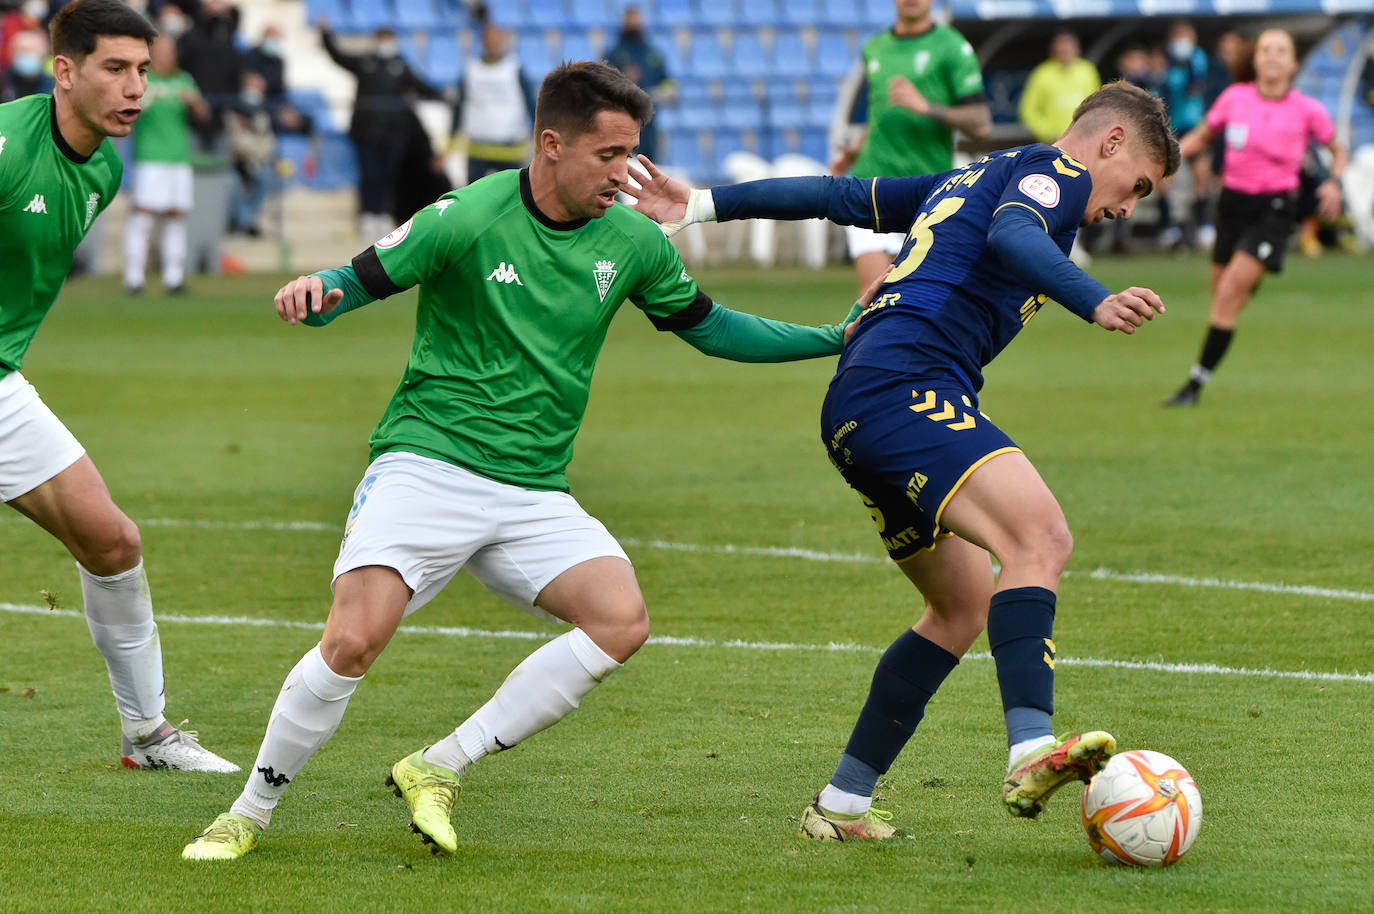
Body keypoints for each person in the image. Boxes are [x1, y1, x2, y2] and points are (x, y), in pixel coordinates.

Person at [181, 60, 862, 861]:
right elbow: (356, 278)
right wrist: (315, 294)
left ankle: (440, 764)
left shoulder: (636, 241)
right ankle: (248, 812)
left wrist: (830, 340)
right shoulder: (467, 214)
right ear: (550, 144)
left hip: (532, 489)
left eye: (634, 153)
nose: (626, 174)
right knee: (355, 640)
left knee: (620, 620)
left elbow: (710, 325)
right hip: (427, 463)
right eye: (608, 155)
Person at [629, 80, 1179, 839]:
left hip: (861, 400)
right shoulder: (1058, 176)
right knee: (1041, 539)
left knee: (959, 607)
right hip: (905, 385)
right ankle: (1030, 749)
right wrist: (1093, 299)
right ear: (1111, 141)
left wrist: (701, 205)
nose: (1129, 205)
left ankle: (843, 802)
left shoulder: (972, 174)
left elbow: (839, 194)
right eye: (1140, 184)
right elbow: (1013, 238)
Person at [0, 0, 237, 773]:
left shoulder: (102, 165)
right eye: (115, 69)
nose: (136, 87)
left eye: (141, 69)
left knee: (112, 542)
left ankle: (147, 735)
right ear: (63, 71)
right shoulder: (6, 147)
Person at [1164, 29, 1346, 407]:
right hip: (1231, 205)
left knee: (1229, 295)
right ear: (1256, 58)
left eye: (1282, 50)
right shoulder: (1235, 98)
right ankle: (1253, 274)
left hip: (1275, 208)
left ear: (1294, 63)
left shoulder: (1305, 109)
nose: (1274, 56)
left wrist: (1334, 182)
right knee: (1221, 294)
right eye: (1266, 49)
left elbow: (1336, 149)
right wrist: (1162, 163)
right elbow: (1201, 136)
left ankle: (1194, 385)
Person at [830, 0, 989, 295]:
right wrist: (854, 150)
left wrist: (925, 107)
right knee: (873, 295)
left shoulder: (951, 46)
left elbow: (981, 122)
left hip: (925, 193)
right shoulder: (875, 47)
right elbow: (880, 113)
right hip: (872, 184)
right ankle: (865, 342)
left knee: (920, 295)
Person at [319, 17, 440, 241]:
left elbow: (424, 88)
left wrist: (446, 95)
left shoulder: (401, 65)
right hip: (366, 132)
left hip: (393, 134)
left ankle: (383, 215)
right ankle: (367, 216)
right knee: (369, 176)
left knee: (388, 177)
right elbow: (339, 56)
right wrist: (325, 34)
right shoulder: (366, 62)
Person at [122, 32, 209, 294]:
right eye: (160, 51)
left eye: (169, 51)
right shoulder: (141, 80)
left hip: (178, 158)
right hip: (150, 158)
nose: (165, 56)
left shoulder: (184, 80)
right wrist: (147, 101)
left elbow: (204, 114)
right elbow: (127, 114)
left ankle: (173, 278)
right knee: (143, 216)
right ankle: (134, 278)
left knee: (175, 217)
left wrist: (193, 102)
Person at [1157, 21, 1214, 250]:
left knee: (1201, 175)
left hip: (1194, 126)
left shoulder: (1197, 57)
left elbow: (1195, 84)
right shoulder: (1164, 64)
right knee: (1164, 177)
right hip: (1171, 125)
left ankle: (1204, 226)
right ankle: (1167, 227)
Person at [455, 22, 534, 183]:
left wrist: (536, 131)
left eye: (496, 38)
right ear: (482, 41)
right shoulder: (471, 68)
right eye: (489, 39)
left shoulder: (514, 66)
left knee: (512, 193)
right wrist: (453, 133)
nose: (492, 43)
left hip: (509, 144)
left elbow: (530, 101)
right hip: (478, 145)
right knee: (473, 196)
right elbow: (459, 103)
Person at [605, 4, 673, 162]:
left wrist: (665, 93)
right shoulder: (614, 54)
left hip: (649, 123)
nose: (634, 23)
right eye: (630, 19)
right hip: (621, 121)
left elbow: (668, 83)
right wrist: (624, 79)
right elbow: (601, 86)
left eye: (637, 19)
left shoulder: (653, 55)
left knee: (649, 166)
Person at [1018, 31, 1101, 145]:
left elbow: (1097, 105)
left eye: (1068, 47)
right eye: (1061, 48)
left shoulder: (1087, 71)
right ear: (1053, 50)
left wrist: (1090, 130)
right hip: (1053, 143)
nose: (1065, 51)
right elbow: (1028, 110)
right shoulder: (1041, 73)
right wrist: (1047, 133)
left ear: (1077, 49)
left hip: (1083, 140)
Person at [0, 28, 54, 102]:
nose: (27, 54)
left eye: (31, 50)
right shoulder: (4, 81)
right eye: (23, 50)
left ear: (43, 54)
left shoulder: (52, 85)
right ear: (12, 53)